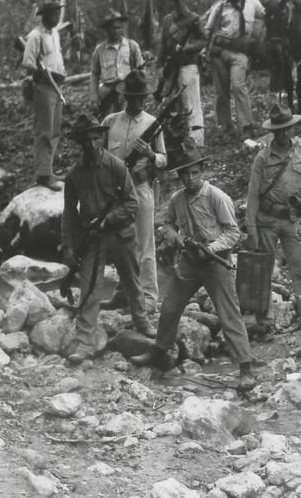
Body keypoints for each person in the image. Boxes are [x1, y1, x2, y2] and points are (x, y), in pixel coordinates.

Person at [130, 141, 257, 392]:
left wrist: (212, 248)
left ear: (202, 171)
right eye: (185, 173)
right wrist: (178, 240)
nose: (190, 178)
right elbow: (167, 225)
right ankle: (159, 353)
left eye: (195, 172)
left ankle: (245, 367)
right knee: (169, 307)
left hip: (214, 263)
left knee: (229, 313)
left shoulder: (217, 197)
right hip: (189, 262)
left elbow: (233, 233)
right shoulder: (177, 199)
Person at [62, 114, 153, 364]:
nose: (92, 145)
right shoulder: (74, 175)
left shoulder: (116, 166)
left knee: (132, 281)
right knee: (89, 289)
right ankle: (85, 343)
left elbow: (132, 203)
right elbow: (69, 212)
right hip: (92, 238)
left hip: (121, 232)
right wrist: (68, 245)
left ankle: (142, 323)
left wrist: (109, 219)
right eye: (86, 140)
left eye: (95, 138)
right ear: (80, 143)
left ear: (101, 138)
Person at [245, 103, 301, 339]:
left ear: (292, 127)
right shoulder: (262, 157)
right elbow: (252, 195)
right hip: (267, 220)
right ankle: (265, 321)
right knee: (264, 271)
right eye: (278, 129)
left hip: (294, 219)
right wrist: (251, 228)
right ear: (272, 131)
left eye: (286, 128)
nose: (283, 133)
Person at [100, 70, 167, 314]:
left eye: (141, 98)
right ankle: (122, 292)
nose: (138, 102)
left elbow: (164, 159)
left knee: (145, 244)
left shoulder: (152, 124)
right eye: (133, 97)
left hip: (140, 187)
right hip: (116, 192)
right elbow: (102, 155)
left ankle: (149, 297)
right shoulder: (110, 122)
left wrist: (150, 154)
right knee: (122, 244)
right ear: (126, 98)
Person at [203, 0, 266, 140]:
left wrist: (258, 39)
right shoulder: (220, 7)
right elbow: (208, 31)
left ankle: (247, 126)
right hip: (220, 52)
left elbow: (269, 16)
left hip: (240, 53)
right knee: (221, 91)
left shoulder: (254, 4)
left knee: (239, 86)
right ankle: (225, 126)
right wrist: (208, 51)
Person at [21, 0, 66, 191]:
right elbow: (28, 62)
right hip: (44, 86)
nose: (56, 17)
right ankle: (43, 175)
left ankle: (48, 170)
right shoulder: (35, 36)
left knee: (55, 130)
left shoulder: (54, 33)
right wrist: (42, 73)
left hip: (57, 85)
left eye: (58, 13)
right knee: (45, 131)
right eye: (53, 14)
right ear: (45, 15)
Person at [157, 0, 207, 146]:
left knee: (190, 104)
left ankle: (195, 141)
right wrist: (159, 65)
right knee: (172, 104)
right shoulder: (168, 21)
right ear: (172, 1)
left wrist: (188, 48)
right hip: (171, 68)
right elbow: (163, 45)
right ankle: (177, 139)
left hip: (188, 66)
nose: (179, 2)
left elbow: (203, 41)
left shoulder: (194, 19)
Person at [91, 9, 143, 118]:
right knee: (109, 122)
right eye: (111, 28)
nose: (115, 31)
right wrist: (94, 96)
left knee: (130, 120)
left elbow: (141, 72)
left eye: (118, 27)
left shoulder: (132, 46)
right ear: (106, 29)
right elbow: (94, 74)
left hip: (128, 92)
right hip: (107, 93)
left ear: (122, 28)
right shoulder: (99, 50)